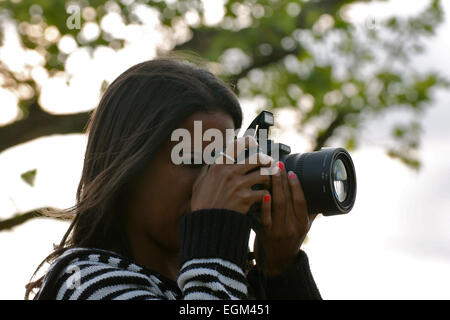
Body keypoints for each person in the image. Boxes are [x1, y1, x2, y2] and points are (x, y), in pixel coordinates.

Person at [25, 57, 321, 300]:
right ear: (129, 167)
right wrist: (215, 233)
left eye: (224, 162)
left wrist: (281, 273)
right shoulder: (86, 281)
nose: (216, 180)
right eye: (193, 160)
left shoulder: (218, 286)